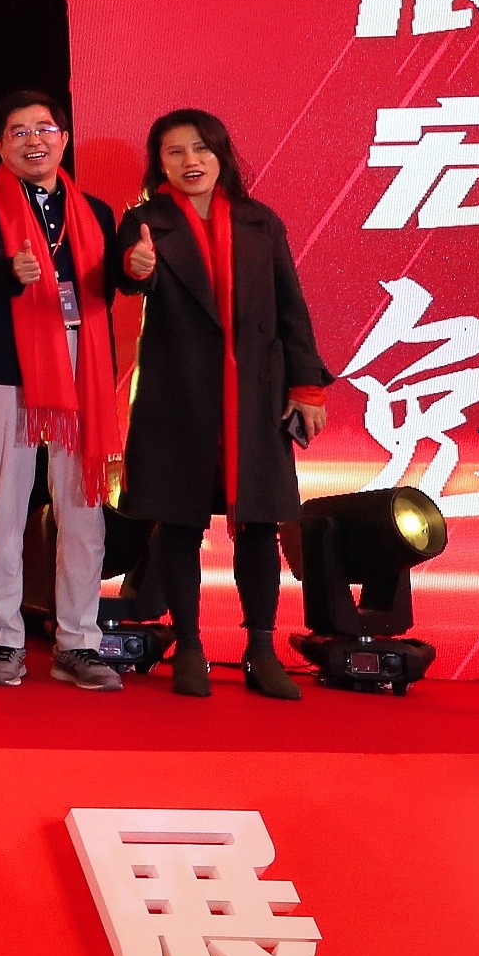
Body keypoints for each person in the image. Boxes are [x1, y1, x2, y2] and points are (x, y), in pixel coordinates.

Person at [114, 109, 331, 703]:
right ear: (159, 164)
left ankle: (261, 648)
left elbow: (292, 308)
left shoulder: (261, 222)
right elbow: (127, 275)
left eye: (201, 149)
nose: (190, 161)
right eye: (175, 152)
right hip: (178, 398)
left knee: (259, 524)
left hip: (254, 398)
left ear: (221, 155)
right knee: (179, 524)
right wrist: (135, 268)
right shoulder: (145, 222)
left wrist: (307, 387)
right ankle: (189, 646)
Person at [0, 90, 131, 693]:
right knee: (3, 506)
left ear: (64, 139)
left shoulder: (96, 211)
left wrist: (136, 269)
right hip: (6, 362)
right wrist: (11, 271)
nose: (34, 140)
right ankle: (5, 639)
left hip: (82, 364)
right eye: (19, 131)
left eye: (45, 129)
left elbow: (112, 282)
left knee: (83, 505)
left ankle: (78, 642)